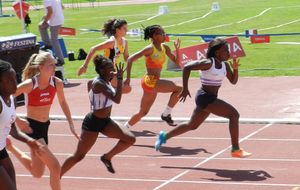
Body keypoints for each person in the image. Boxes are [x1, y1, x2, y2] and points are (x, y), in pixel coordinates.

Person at [155, 38, 252, 158]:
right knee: (234, 115)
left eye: (228, 51)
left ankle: (164, 136)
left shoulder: (225, 65)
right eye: (225, 51)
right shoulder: (208, 63)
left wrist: (236, 68)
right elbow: (186, 68)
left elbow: (233, 81)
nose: (229, 53)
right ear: (217, 53)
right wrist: (185, 88)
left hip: (210, 98)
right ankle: (235, 149)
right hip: (204, 97)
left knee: (192, 125)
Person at [6, 52, 79, 190]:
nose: (54, 67)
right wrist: (16, 118)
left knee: (37, 172)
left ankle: (11, 148)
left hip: (45, 127)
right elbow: (6, 98)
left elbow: (63, 102)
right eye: (50, 65)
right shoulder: (30, 84)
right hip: (31, 129)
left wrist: (71, 124)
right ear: (40, 67)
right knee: (55, 167)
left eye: (54, 64)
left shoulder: (57, 83)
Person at [61, 55, 135, 175]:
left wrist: (117, 77)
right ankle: (56, 176)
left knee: (130, 139)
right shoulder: (99, 84)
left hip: (106, 122)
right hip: (93, 123)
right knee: (78, 156)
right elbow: (117, 99)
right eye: (110, 68)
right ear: (101, 70)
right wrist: (120, 79)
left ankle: (107, 157)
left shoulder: (104, 81)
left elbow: (90, 85)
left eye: (113, 67)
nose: (113, 70)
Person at [123, 25, 182, 127]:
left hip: (153, 83)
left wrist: (177, 49)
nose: (164, 35)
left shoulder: (165, 48)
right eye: (162, 33)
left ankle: (125, 128)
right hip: (149, 81)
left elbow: (176, 62)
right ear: (154, 36)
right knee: (180, 89)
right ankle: (166, 114)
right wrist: (128, 78)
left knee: (143, 112)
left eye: (164, 33)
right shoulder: (150, 49)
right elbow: (130, 59)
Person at [0, 60, 41, 190]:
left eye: (15, 78)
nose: (15, 83)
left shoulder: (12, 100)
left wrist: (29, 141)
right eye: (9, 80)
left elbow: (12, 130)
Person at [78, 19, 131, 93]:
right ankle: (97, 85)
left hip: (113, 71)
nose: (127, 30)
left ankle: (97, 85)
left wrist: (136, 56)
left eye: (126, 28)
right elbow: (93, 49)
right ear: (117, 30)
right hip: (105, 70)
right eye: (124, 28)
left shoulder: (125, 42)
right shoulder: (111, 42)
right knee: (125, 88)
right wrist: (84, 66)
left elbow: (126, 58)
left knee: (126, 89)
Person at [39, 0, 65, 66]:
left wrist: (45, 21)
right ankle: (48, 44)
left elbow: (50, 12)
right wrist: (46, 17)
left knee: (54, 40)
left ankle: (61, 60)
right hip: (58, 19)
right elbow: (62, 7)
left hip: (55, 21)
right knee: (41, 26)